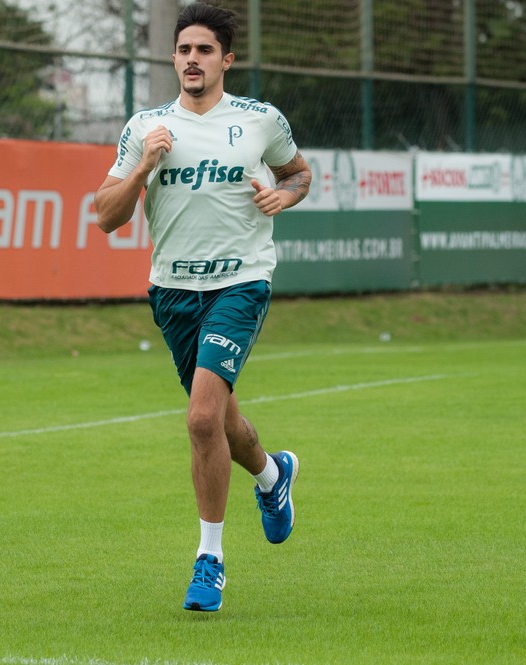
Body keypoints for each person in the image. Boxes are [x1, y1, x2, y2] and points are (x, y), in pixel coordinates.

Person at [94, 1, 312, 612]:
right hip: (172, 292)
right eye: (184, 50)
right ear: (174, 57)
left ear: (226, 60)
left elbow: (299, 174)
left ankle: (209, 561)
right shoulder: (146, 127)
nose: (193, 60)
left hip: (242, 283)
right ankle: (272, 476)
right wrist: (143, 166)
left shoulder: (260, 120)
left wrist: (281, 197)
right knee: (220, 423)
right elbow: (106, 217)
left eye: (205, 50)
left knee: (199, 419)